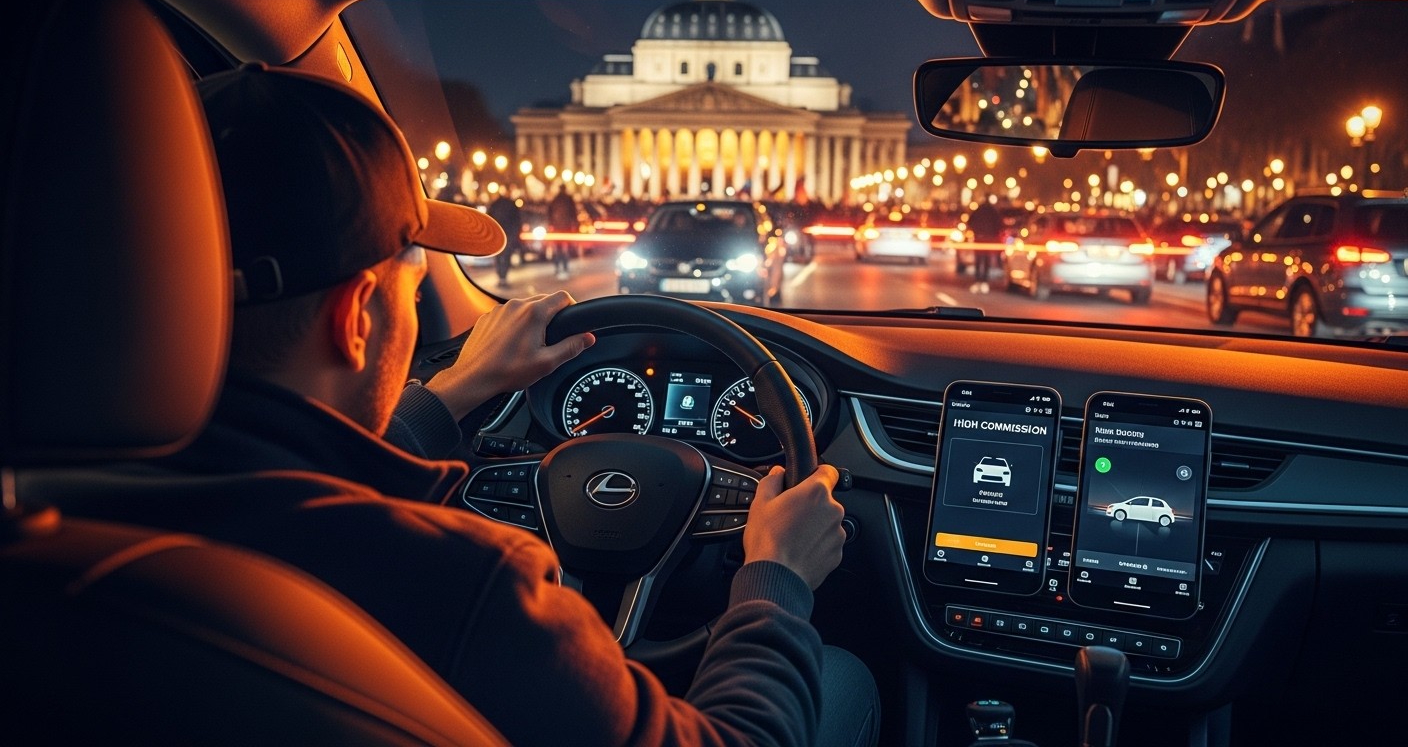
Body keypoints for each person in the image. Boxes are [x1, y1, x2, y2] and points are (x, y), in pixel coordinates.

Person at [144, 63, 880, 747]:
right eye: (413, 281)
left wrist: (458, 388)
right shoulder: (468, 583)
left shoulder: (104, 493)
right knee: (840, 676)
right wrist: (775, 581)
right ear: (356, 316)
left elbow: (293, 464)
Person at [967, 197, 1003, 293]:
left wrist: (975, 231)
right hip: (988, 239)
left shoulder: (979, 210)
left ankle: (978, 279)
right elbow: (999, 224)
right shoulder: (993, 211)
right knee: (986, 259)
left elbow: (970, 221)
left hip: (979, 238)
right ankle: (984, 280)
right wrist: (994, 234)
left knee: (979, 259)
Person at [487, 187, 522, 288]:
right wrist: (515, 234)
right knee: (506, 256)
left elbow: (489, 218)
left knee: (498, 256)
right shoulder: (511, 204)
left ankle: (501, 277)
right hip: (508, 235)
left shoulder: (495, 204)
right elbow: (517, 221)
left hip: (498, 234)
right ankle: (503, 277)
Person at [547, 184, 579, 278]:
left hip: (557, 228)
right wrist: (575, 225)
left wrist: (551, 224)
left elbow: (549, 213)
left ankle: (558, 266)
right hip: (566, 227)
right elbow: (573, 213)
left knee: (558, 249)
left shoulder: (556, 199)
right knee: (565, 248)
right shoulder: (568, 199)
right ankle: (564, 266)